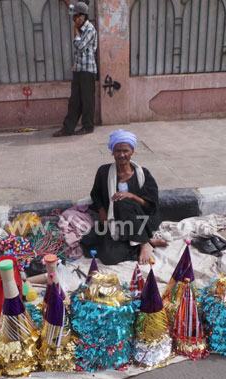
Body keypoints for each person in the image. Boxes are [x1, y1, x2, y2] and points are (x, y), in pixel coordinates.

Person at [80, 130, 169, 265]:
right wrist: (102, 210)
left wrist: (131, 196)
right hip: (116, 222)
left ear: (132, 151)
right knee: (109, 257)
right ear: (113, 152)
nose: (121, 155)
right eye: (118, 151)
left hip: (141, 221)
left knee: (121, 202)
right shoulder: (104, 172)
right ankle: (147, 242)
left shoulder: (143, 173)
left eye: (125, 151)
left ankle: (144, 243)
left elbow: (151, 205)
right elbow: (96, 194)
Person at [53, 1, 97, 137]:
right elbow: (72, 8)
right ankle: (68, 128)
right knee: (74, 101)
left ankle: (88, 126)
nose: (75, 19)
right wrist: (67, 3)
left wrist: (76, 32)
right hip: (78, 70)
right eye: (74, 17)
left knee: (87, 100)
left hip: (88, 71)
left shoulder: (90, 29)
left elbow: (80, 46)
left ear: (83, 17)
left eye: (77, 17)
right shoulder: (79, 17)